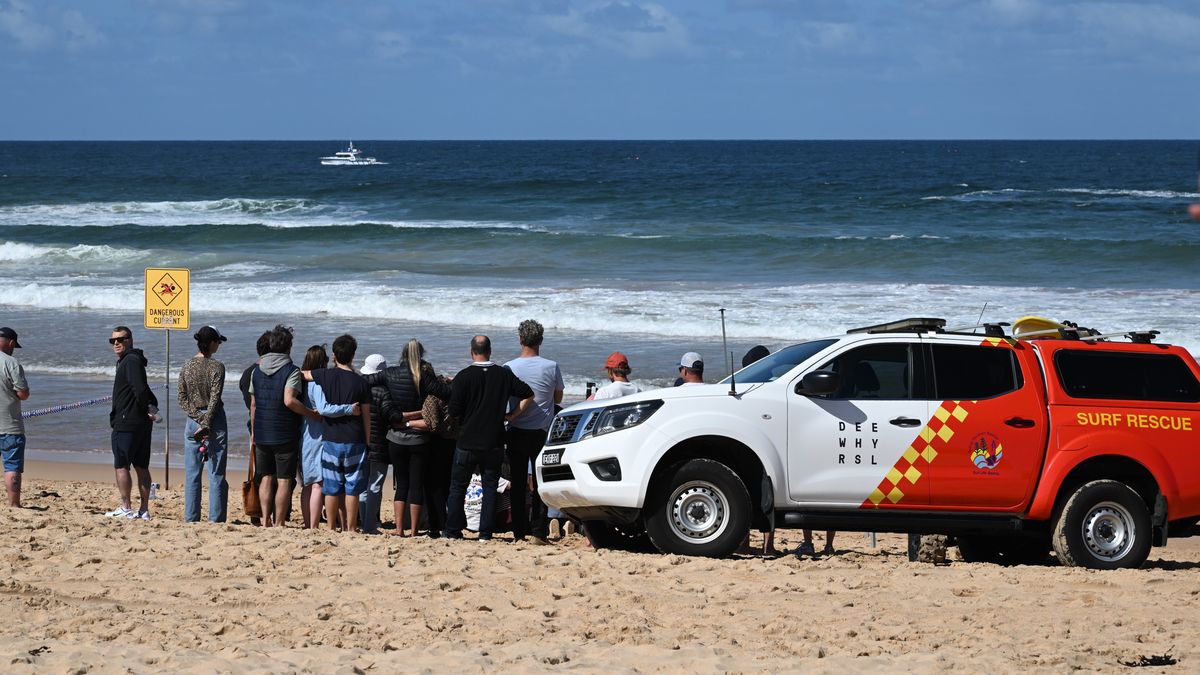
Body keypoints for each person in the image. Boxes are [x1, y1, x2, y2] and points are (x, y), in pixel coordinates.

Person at [444, 335, 533, 541]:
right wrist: (512, 415)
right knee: (490, 487)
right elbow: (528, 394)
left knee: (458, 486)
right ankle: (485, 533)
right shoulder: (502, 374)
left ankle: (453, 530)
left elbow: (454, 411)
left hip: (467, 440)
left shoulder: (464, 376)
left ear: (471, 351)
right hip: (493, 441)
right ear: (490, 351)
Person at [362, 339, 452, 537]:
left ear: (402, 354)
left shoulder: (390, 373)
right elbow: (446, 393)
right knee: (416, 485)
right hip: (420, 438)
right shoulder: (424, 377)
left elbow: (366, 381)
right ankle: (413, 532)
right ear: (421, 355)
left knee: (401, 485)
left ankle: (399, 530)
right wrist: (445, 380)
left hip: (395, 438)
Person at [250, 324, 318, 527]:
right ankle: (279, 522)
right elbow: (289, 400)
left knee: (265, 477)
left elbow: (253, 404)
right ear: (289, 347)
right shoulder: (292, 371)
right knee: (284, 479)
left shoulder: (256, 371)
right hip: (284, 432)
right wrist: (311, 414)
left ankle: (265, 521)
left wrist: (254, 431)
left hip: (261, 431)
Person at [503, 319, 563, 544]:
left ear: (520, 339)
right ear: (541, 340)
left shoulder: (509, 367)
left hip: (516, 429)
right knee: (540, 483)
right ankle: (539, 531)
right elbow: (557, 398)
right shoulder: (551, 366)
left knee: (518, 483)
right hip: (541, 432)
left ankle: (519, 532)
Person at [308, 334, 372, 532]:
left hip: (331, 438)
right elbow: (367, 417)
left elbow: (303, 374)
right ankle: (351, 528)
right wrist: (368, 442)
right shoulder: (361, 383)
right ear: (353, 356)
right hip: (354, 439)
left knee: (332, 486)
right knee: (352, 487)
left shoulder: (324, 375)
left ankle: (330, 527)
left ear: (334, 355)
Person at [299, 345, 359, 529]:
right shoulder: (317, 384)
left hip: (304, 435)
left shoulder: (300, 381)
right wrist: (348, 409)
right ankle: (314, 526)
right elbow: (324, 408)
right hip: (317, 436)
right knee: (318, 483)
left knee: (308, 484)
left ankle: (309, 523)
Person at [177, 325, 229, 523]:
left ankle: (191, 517)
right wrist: (206, 422)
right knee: (216, 472)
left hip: (193, 420)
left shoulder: (187, 365)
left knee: (192, 472)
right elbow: (215, 399)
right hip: (213, 419)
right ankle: (215, 519)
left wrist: (197, 418)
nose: (219, 346)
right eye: (218, 342)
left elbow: (182, 399)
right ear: (213, 343)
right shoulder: (217, 367)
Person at [106, 326, 158, 520]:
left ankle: (127, 506)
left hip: (128, 423)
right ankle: (143, 510)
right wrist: (152, 405)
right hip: (140, 423)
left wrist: (148, 406)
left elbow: (141, 390)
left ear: (130, 340)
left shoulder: (130, 361)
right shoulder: (131, 361)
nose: (116, 343)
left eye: (121, 339)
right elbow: (144, 390)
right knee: (141, 467)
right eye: (113, 341)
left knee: (122, 465)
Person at [239, 330, 271, 526]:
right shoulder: (269, 371)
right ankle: (267, 511)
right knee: (270, 473)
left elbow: (247, 401)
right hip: (271, 425)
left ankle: (257, 512)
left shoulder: (247, 373)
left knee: (260, 470)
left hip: (255, 424)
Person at [358, 353, 391, 534]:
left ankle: (364, 521)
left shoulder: (358, 388)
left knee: (362, 484)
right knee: (375, 484)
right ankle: (370, 524)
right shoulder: (384, 392)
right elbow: (389, 416)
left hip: (359, 440)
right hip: (379, 442)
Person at [0, 327, 29, 508]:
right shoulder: (10, 362)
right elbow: (23, 393)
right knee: (12, 467)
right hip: (10, 424)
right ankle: (14, 504)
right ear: (11, 343)